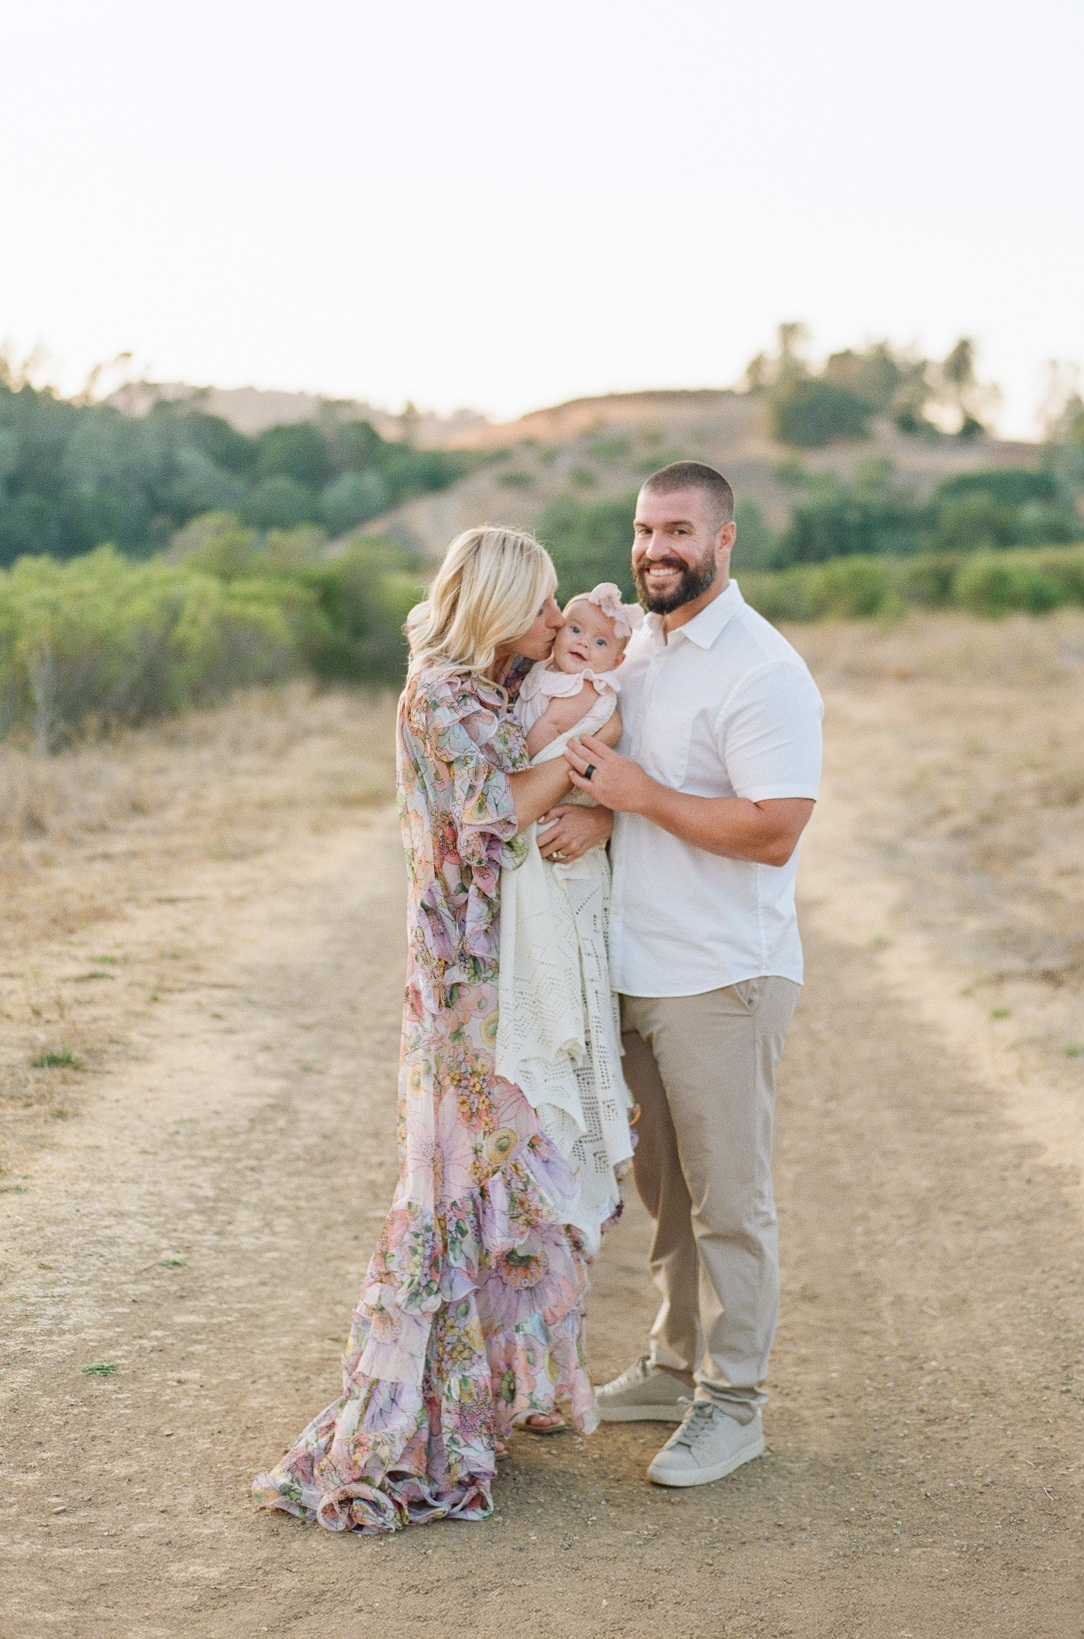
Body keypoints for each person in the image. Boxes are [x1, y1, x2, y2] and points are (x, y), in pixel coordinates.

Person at [253, 525, 621, 1533]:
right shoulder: (442, 696)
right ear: (495, 608)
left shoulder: (500, 683)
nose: (556, 619)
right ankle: (414, 1422)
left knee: (507, 1170)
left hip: (509, 970)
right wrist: (587, 761)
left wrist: (595, 784)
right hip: (463, 983)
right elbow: (498, 807)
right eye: (539, 604)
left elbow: (580, 693)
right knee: (453, 1180)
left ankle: (484, 1396)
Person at [553, 461, 824, 1489]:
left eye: (677, 530)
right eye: (643, 529)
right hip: (638, 967)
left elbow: (774, 828)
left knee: (729, 1200)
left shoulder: (762, 670)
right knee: (665, 1190)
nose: (654, 548)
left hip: (722, 975)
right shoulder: (639, 651)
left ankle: (734, 1402)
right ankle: (673, 1369)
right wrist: (604, 811)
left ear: (724, 540)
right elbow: (628, 784)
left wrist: (636, 795)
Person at [496, 584, 642, 1257]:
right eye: (573, 628)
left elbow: (539, 751)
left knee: (564, 990)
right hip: (527, 848)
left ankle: (566, 1182)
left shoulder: (591, 696)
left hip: (555, 846)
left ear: (616, 660)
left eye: (597, 639)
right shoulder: (527, 671)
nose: (577, 639)